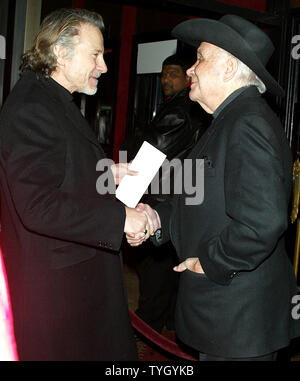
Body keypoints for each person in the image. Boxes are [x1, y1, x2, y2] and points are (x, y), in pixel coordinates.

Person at [127, 15, 300, 361]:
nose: (191, 69)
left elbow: (262, 223)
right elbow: (198, 195)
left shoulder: (247, 122)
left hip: (238, 318)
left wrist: (208, 263)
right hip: (227, 316)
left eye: (201, 58)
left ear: (229, 68)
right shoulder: (228, 119)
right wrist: (155, 219)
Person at [0, 8, 153, 361]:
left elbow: (59, 171)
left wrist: (103, 173)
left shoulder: (50, 99)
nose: (104, 67)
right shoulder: (33, 108)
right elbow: (38, 206)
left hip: (72, 285)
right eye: (95, 55)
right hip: (57, 298)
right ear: (59, 52)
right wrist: (121, 219)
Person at [123, 54, 209, 333]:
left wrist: (123, 199)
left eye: (173, 73)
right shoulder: (193, 108)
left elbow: (150, 154)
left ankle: (145, 334)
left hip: (161, 199)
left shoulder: (178, 111)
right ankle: (169, 331)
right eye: (163, 74)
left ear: (187, 78)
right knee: (170, 276)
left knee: (154, 278)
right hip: (181, 199)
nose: (165, 80)